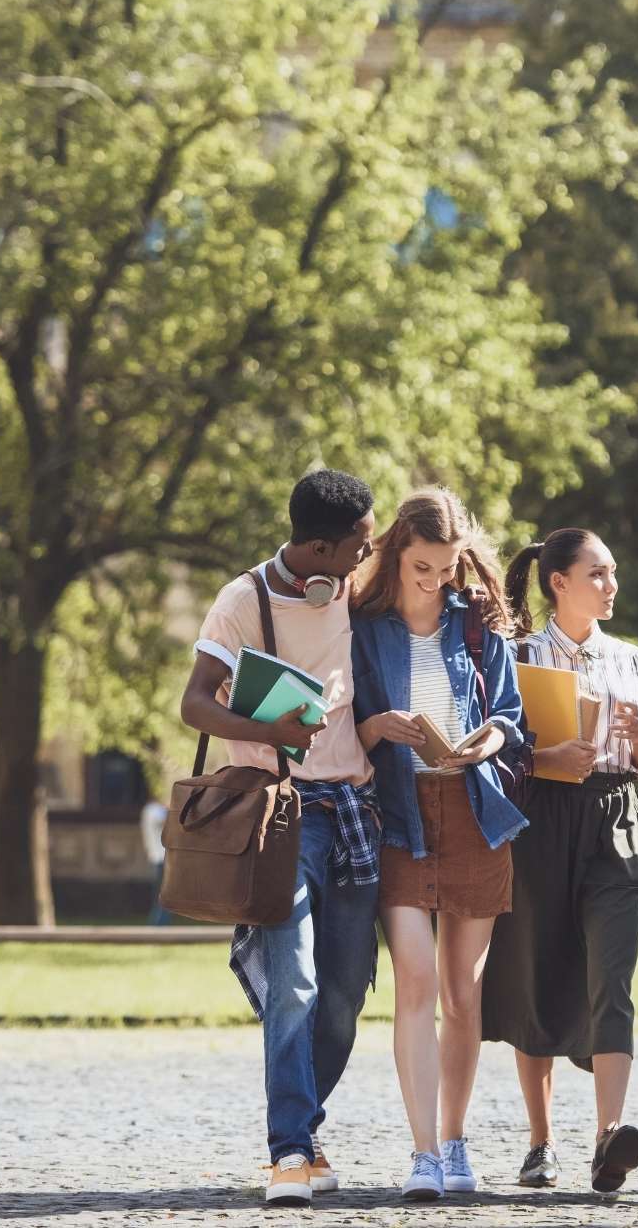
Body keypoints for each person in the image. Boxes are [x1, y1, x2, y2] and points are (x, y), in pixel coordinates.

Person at [180, 469, 378, 1208]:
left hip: (353, 811)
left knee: (343, 996)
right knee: (291, 981)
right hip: (279, 815)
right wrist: (268, 731)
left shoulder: (360, 588)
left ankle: (305, 1126)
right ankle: (289, 1150)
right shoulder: (243, 600)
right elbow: (195, 703)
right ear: (321, 546)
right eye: (358, 544)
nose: (366, 554)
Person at [350, 488, 528, 1201]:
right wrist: (375, 728)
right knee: (416, 982)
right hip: (397, 818)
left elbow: (511, 717)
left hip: (475, 811)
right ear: (397, 552)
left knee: (462, 990)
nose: (435, 581)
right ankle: (423, 1154)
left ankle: (456, 1141)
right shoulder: (363, 626)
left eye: (447, 568)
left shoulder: (478, 622)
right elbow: (341, 725)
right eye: (422, 567)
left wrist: (489, 738)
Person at [482, 528, 638, 1195]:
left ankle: (608, 1138)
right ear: (558, 581)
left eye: (613, 574)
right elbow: (499, 750)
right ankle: (540, 1141)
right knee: (537, 967)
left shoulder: (633, 662)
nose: (611, 585)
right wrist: (547, 756)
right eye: (598, 574)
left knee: (611, 977)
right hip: (539, 820)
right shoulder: (517, 656)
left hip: (617, 815)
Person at [139, 796, 170, 925]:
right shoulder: (154, 810)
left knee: (160, 892)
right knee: (163, 893)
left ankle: (158, 922)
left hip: (156, 856)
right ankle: (158, 923)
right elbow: (165, 821)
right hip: (161, 857)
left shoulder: (147, 810)